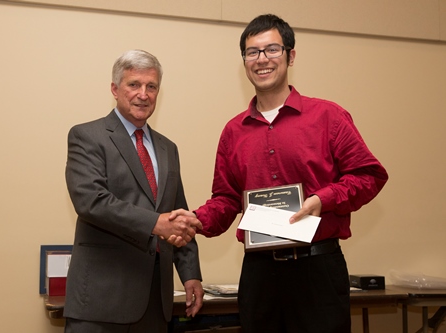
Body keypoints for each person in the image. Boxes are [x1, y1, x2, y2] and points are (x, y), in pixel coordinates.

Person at [170, 14, 388, 333]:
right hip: (259, 275)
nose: (262, 60)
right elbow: (226, 199)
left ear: (291, 55)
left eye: (272, 49)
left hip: (318, 270)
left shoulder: (328, 116)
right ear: (244, 61)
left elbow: (369, 176)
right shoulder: (233, 132)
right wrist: (195, 220)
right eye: (252, 52)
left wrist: (322, 199)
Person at [63, 49, 204, 333]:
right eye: (134, 84)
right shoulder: (87, 136)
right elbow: (91, 201)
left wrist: (190, 274)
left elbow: (179, 212)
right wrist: (156, 223)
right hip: (101, 302)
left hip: (155, 303)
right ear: (115, 89)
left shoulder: (168, 148)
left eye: (151, 86)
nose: (143, 94)